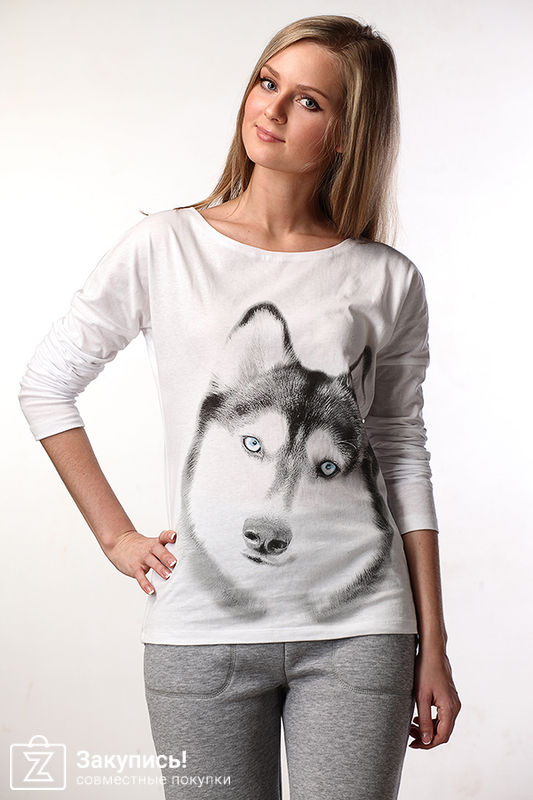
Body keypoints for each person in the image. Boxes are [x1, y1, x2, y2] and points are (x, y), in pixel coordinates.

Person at [18, 14, 461, 800]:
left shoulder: (385, 278)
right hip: (199, 631)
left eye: (309, 102)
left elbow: (398, 453)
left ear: (347, 134)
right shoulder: (164, 246)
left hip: (359, 634)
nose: (273, 109)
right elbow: (46, 384)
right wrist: (115, 536)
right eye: (267, 82)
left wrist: (434, 644)